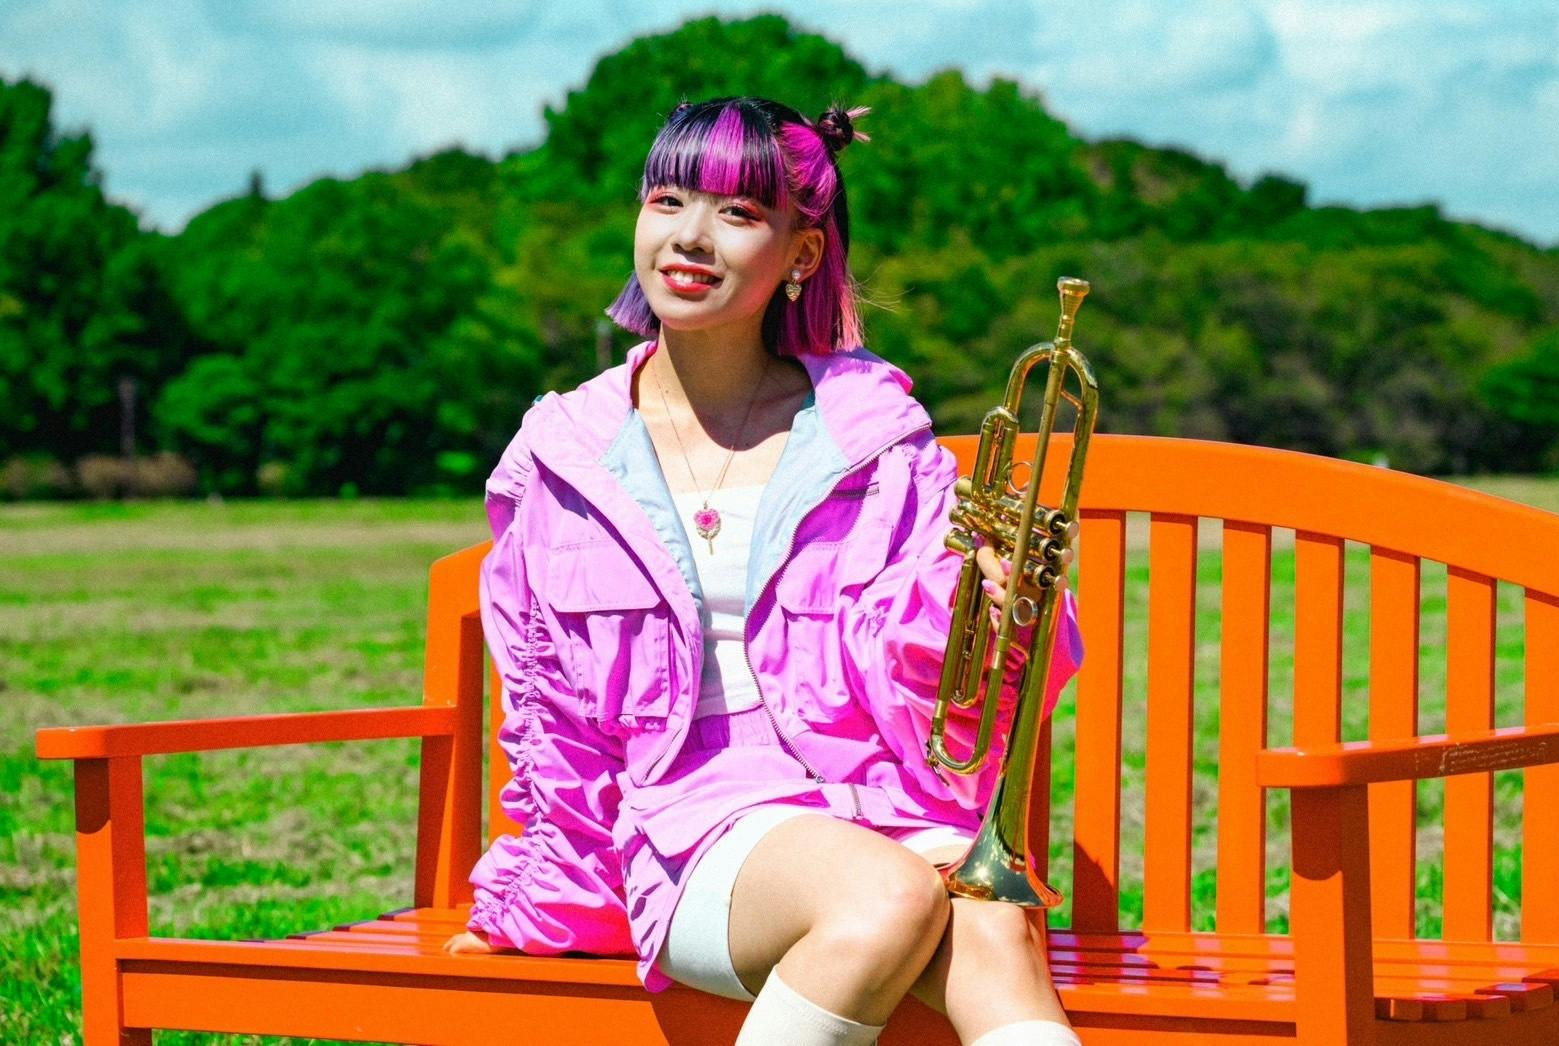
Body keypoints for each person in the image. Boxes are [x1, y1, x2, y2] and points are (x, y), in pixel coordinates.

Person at [442, 96, 1084, 1046]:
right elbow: (551, 719)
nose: (690, 237)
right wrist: (542, 900)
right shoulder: (566, 456)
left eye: (738, 213)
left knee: (994, 927)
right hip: (693, 824)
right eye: (667, 201)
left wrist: (991, 610)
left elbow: (927, 679)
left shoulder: (877, 440)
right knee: (890, 896)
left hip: (877, 800)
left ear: (802, 254)